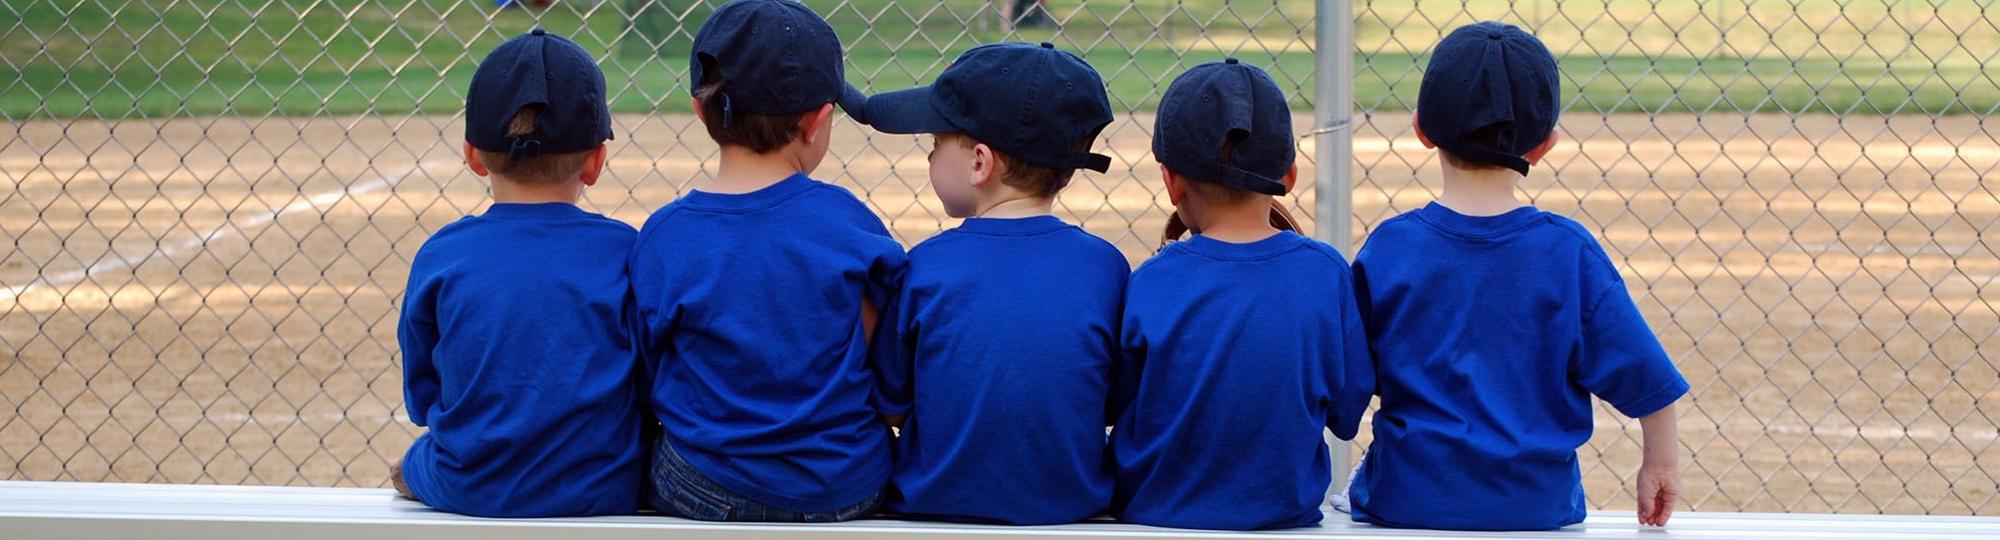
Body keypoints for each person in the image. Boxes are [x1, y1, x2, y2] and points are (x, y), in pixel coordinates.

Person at [1346, 21, 1689, 531]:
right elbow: (1645, 378)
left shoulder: (1392, 247)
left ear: (1421, 129)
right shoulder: (1567, 252)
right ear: (1545, 144)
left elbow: (1348, 379)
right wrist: (1660, 464)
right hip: (1536, 508)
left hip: (1407, 501)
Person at [627, 0, 902, 522]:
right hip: (845, 486)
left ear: (701, 110)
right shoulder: (851, 223)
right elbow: (879, 357)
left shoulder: (666, 236)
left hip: (706, 485)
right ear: (819, 122)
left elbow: (648, 371)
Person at [863, 42, 1126, 525]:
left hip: (933, 508)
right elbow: (1106, 400)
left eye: (936, 144)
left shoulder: (924, 267)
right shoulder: (1107, 268)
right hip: (1070, 510)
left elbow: (890, 407)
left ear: (980, 163)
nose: (929, 158)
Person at [1110, 58, 1375, 530]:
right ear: (1289, 177)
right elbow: (1346, 415)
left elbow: (1118, 402)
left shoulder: (1152, 280)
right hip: (1281, 516)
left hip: (1155, 518)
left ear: (1172, 182)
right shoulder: (1326, 274)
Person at [396, 28, 644, 518]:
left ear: (473, 156)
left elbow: (423, 398)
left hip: (471, 486)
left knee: (409, 466)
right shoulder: (626, 251)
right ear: (596, 161)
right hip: (604, 486)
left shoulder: (443, 255)